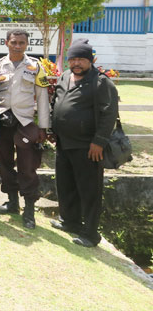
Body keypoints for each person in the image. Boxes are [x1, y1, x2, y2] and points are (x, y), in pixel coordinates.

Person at [51, 39, 117, 247]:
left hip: (88, 147)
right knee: (65, 185)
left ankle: (90, 234)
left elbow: (109, 114)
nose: (76, 63)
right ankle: (69, 221)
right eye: (73, 59)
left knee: (89, 191)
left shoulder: (101, 82)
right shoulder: (64, 76)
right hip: (64, 143)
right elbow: (56, 103)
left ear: (91, 60)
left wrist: (99, 141)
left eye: (81, 59)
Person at [0, 29, 50, 229]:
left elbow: (42, 96)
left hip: (25, 123)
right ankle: (12, 203)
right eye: (14, 42)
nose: (17, 46)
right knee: (3, 163)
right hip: (2, 122)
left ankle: (29, 210)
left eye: (21, 43)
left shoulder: (35, 66)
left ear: (27, 44)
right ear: (6, 42)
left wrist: (43, 126)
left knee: (28, 167)